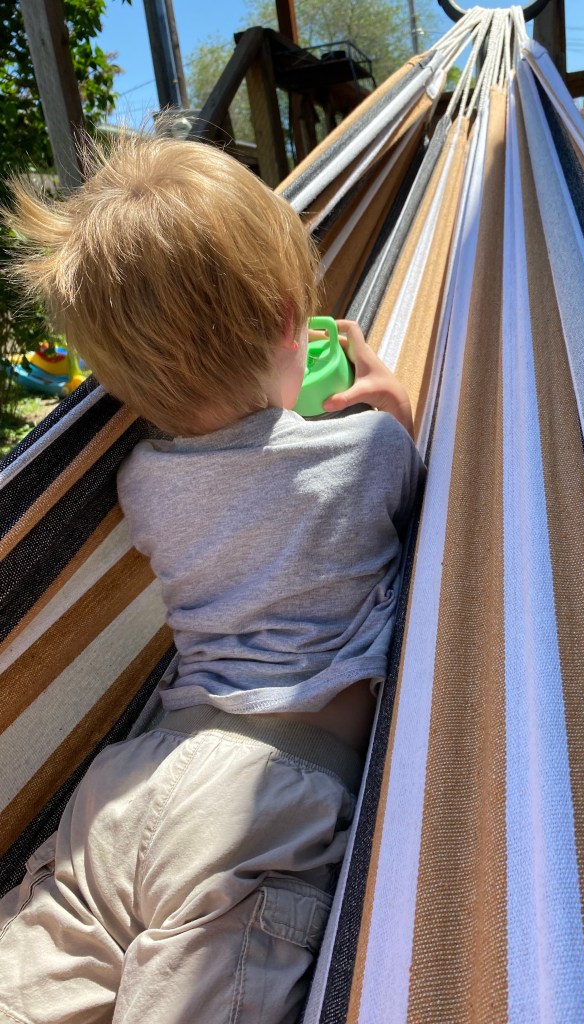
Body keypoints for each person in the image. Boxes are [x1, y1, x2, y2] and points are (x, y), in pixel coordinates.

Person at [0, 131, 424, 1024]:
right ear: (289, 320)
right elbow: (418, 497)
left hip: (125, 788)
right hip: (261, 809)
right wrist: (396, 408)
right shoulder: (371, 451)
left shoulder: (139, 481)